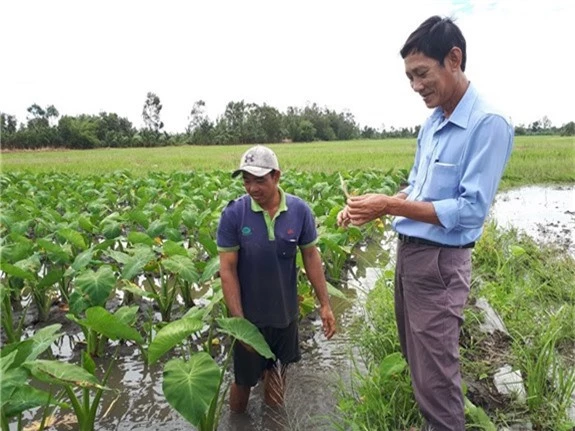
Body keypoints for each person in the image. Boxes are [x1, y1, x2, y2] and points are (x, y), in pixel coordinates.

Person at [337, 16, 514, 431]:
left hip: (440, 263)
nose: (416, 86)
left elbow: (469, 210)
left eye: (422, 74)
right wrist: (369, 207)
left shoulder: (488, 123)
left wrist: (389, 208)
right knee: (420, 367)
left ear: (454, 59)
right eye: (409, 77)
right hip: (411, 258)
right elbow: (417, 189)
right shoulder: (433, 121)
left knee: (437, 382)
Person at [217, 145, 336, 414]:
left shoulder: (299, 211)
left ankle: (273, 422)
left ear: (276, 176)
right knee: (243, 381)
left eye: (259, 180)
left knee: (278, 374)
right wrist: (239, 323)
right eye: (247, 181)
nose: (252, 188)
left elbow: (311, 257)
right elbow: (227, 270)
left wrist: (325, 304)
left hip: (285, 314)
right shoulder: (234, 214)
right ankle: (238, 423)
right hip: (249, 316)